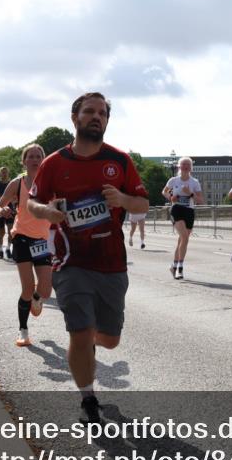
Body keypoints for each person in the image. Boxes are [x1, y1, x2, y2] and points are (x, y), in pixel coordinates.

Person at [26, 92, 148, 424]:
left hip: (112, 263)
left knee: (108, 340)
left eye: (102, 114)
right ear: (75, 118)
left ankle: (91, 340)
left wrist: (123, 197)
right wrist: (48, 212)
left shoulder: (120, 161)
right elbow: (32, 203)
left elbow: (142, 204)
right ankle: (88, 398)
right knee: (79, 332)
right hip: (71, 262)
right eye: (89, 112)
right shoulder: (54, 163)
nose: (96, 117)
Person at [0, 144, 54, 347]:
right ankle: (23, 331)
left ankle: (36, 297)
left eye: (39, 156)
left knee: (45, 291)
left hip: (42, 240)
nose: (35, 159)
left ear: (43, 160)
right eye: (31, 156)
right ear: (24, 161)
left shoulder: (50, 184)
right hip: (21, 237)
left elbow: (63, 205)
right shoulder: (17, 183)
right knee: (27, 288)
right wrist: (0, 211)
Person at [162, 157, 204, 279]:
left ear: (191, 168)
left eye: (188, 165)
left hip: (189, 211)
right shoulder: (173, 180)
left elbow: (200, 200)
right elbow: (164, 192)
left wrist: (190, 193)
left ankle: (173, 266)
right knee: (184, 237)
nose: (185, 166)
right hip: (177, 210)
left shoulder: (194, 182)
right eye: (183, 164)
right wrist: (170, 197)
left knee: (182, 240)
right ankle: (180, 268)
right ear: (179, 167)